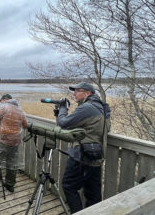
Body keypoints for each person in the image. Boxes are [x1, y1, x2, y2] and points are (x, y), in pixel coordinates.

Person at [57, 82, 109, 213]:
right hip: (96, 156)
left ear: (88, 93)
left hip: (82, 156)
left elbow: (63, 123)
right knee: (93, 193)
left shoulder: (87, 108)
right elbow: (105, 128)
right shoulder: (102, 107)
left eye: (77, 91)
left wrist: (62, 109)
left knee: (69, 186)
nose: (74, 94)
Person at [0, 94, 28, 193]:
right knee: (12, 163)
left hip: (3, 140)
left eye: (1, 101)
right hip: (16, 142)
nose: (1, 103)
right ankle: (10, 185)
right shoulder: (20, 110)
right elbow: (25, 125)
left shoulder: (4, 107)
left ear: (5, 100)